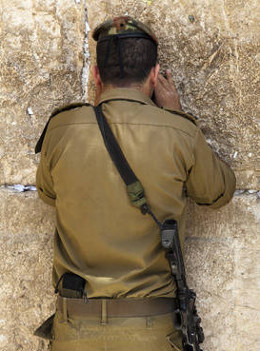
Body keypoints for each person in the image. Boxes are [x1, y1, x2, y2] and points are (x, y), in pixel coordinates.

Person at [35, 16, 236, 351]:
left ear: (97, 76)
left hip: (75, 331)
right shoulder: (178, 132)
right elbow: (218, 191)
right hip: (151, 331)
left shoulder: (61, 129)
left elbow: (47, 192)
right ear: (154, 75)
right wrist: (179, 116)